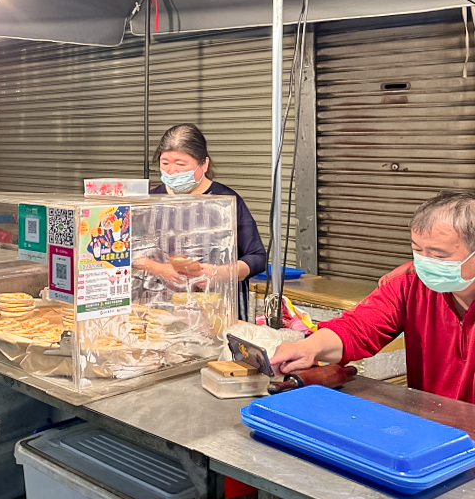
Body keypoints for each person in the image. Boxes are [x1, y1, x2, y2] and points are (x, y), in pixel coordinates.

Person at [271, 190, 475, 403]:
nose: (425, 262)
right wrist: (307, 348)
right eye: (417, 251)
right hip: (430, 423)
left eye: (438, 255)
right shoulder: (408, 284)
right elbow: (357, 328)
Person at [135, 123, 267, 321]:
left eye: (181, 165)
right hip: (159, 314)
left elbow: (257, 258)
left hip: (215, 315)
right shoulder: (148, 201)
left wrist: (219, 273)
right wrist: (159, 269)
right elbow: (125, 253)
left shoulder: (226, 200)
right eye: (165, 163)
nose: (171, 172)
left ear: (204, 164)